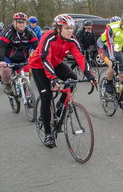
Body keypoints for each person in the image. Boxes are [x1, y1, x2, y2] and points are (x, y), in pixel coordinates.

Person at [29, 14, 97, 148]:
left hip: (56, 63)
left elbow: (80, 57)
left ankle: (61, 104)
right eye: (66, 28)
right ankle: (48, 134)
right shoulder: (49, 37)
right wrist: (53, 79)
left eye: (71, 28)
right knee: (46, 95)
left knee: (72, 79)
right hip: (39, 65)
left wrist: (90, 75)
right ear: (58, 28)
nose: (70, 31)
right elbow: (45, 58)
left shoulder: (72, 40)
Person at [0, 13, 38, 95]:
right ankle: (8, 84)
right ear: (14, 22)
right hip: (9, 58)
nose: (22, 24)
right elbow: (1, 47)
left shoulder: (29, 32)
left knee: (26, 79)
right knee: (5, 69)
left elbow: (37, 46)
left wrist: (42, 57)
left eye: (23, 22)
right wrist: (1, 60)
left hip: (23, 58)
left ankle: (28, 98)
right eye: (19, 22)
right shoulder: (8, 32)